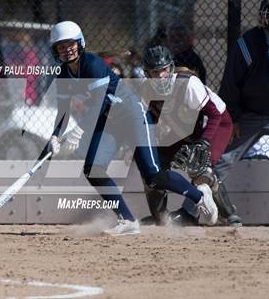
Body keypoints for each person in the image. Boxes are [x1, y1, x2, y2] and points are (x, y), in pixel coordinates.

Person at [47, 21, 218, 235]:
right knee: (93, 169)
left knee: (153, 176)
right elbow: (62, 110)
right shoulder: (63, 74)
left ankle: (200, 196)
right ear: (55, 50)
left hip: (131, 115)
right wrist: (55, 136)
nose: (67, 49)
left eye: (70, 44)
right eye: (61, 46)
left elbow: (100, 101)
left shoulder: (92, 62)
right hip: (109, 121)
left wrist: (79, 130)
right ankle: (127, 221)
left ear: (80, 42)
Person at [138, 45, 235, 226]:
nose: (160, 76)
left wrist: (204, 142)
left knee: (201, 168)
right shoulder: (145, 90)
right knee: (152, 169)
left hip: (216, 123)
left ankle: (229, 216)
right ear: (147, 73)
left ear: (171, 68)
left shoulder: (188, 83)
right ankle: (161, 218)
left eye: (164, 70)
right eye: (154, 71)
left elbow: (214, 115)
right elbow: (148, 123)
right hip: (182, 129)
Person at [211, 0, 269, 225]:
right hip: (248, 114)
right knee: (219, 160)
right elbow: (230, 85)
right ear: (263, 19)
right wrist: (235, 119)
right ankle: (195, 210)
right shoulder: (247, 44)